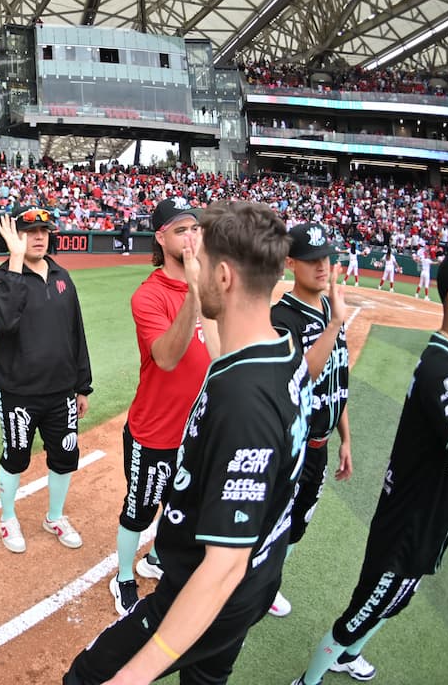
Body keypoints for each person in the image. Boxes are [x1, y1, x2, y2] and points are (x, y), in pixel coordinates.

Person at [64, 200, 310, 685]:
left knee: (85, 676)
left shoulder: (243, 400)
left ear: (222, 276)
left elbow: (223, 566)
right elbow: (210, 356)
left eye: (202, 252)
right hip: (256, 583)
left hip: (208, 593)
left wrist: (134, 676)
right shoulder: (284, 350)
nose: (191, 254)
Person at [290, 246, 448, 685]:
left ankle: (347, 656)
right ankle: (307, 681)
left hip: (424, 524)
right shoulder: (441, 367)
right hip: (406, 530)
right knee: (362, 612)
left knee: (393, 602)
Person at [110, 197, 219, 616]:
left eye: (194, 228)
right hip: (155, 432)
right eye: (180, 230)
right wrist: (193, 290)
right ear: (160, 237)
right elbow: (168, 357)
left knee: (183, 507)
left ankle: (157, 558)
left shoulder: (212, 284)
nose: (191, 237)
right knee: (139, 510)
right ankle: (122, 576)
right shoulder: (149, 295)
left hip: (198, 431)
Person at [0, 205, 92, 554]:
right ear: (16, 236)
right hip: (18, 391)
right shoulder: (0, 279)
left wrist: (82, 386)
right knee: (16, 456)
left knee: (64, 456)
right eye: (30, 232)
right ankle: (8, 517)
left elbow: (76, 332)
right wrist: (16, 264)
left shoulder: (62, 275)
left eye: (44, 231)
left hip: (61, 390)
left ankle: (55, 516)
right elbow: (1, 322)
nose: (39, 237)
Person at [268, 222, 352, 619]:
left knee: (298, 523)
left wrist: (345, 438)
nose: (322, 266)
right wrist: (335, 325)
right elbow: (303, 374)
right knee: (274, 519)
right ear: (290, 263)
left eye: (325, 257)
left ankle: (267, 580)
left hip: (321, 444)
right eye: (311, 259)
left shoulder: (329, 310)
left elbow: (338, 378)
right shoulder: (283, 317)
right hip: (292, 447)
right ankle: (257, 584)